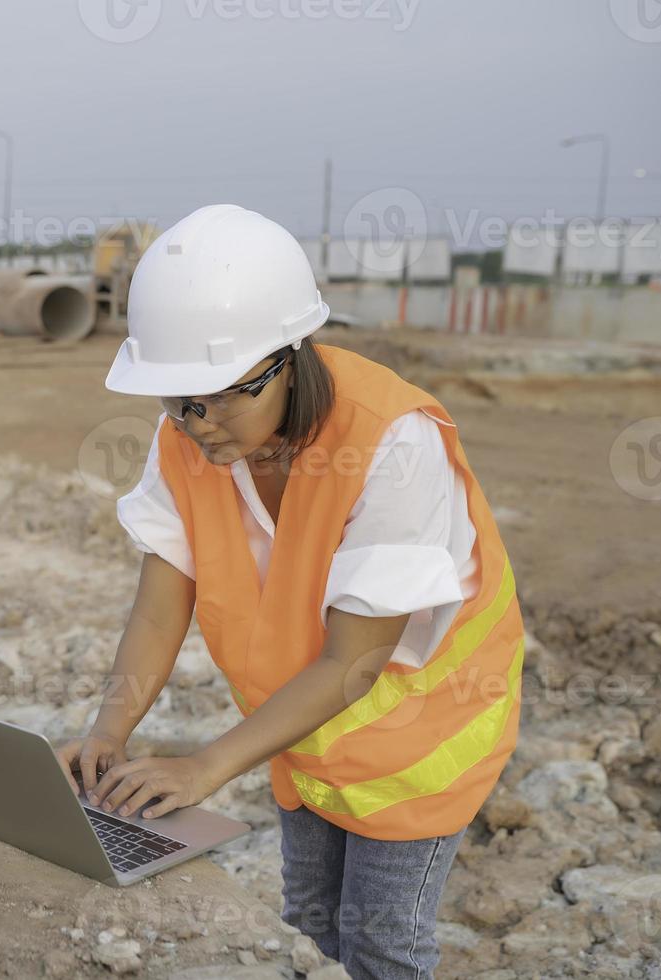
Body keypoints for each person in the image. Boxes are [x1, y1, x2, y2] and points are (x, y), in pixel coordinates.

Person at [55, 204, 523, 979]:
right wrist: (108, 732)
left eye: (223, 394)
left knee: (380, 945)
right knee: (307, 927)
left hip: (420, 741)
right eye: (177, 400)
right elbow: (157, 603)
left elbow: (355, 662)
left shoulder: (390, 441)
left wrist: (206, 767)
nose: (198, 423)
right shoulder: (184, 439)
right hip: (299, 731)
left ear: (288, 357)